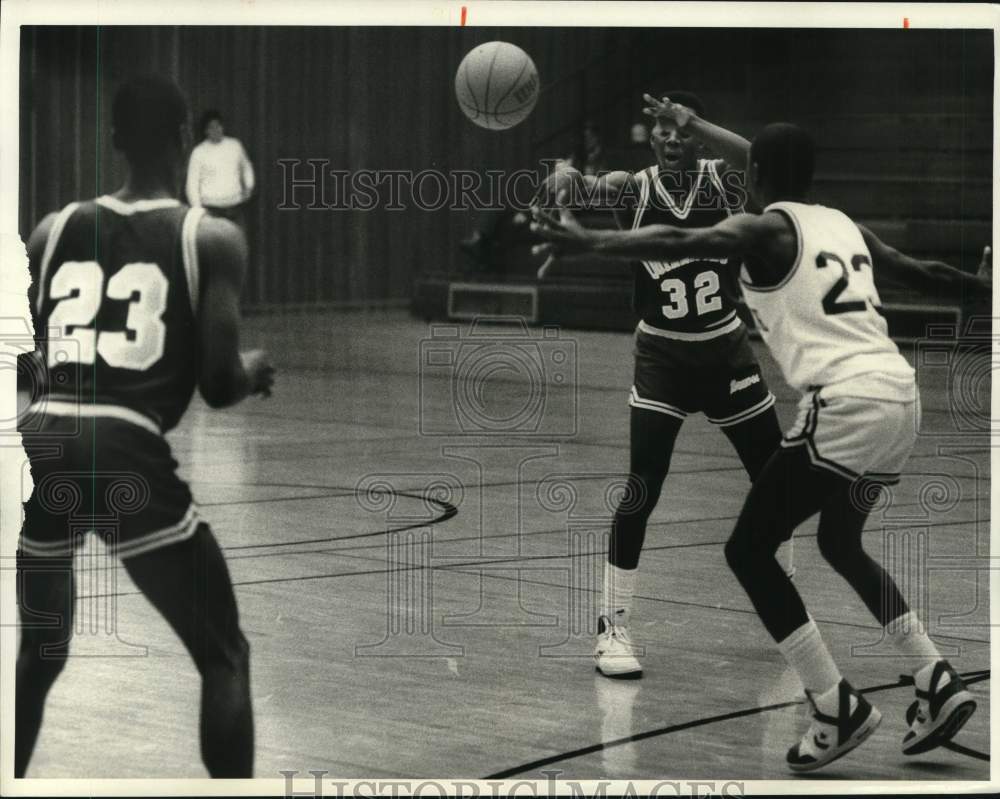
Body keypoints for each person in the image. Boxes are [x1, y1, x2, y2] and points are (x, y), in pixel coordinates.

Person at [532, 121, 991, 771]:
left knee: (747, 549)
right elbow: (923, 272)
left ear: (751, 177)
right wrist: (982, 290)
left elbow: (677, 236)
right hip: (903, 400)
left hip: (847, 403)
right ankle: (935, 677)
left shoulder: (763, 227)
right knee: (839, 541)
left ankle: (834, 703)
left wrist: (588, 243)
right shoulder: (843, 224)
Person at [16, 75, 274, 778]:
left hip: (45, 445)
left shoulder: (53, 227)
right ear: (185, 136)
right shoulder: (211, 237)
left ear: (114, 140)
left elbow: (22, 366)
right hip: (123, 447)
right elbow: (218, 386)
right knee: (224, 653)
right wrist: (254, 368)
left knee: (38, 656)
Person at [539, 92, 791, 679]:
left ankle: (784, 591)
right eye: (663, 132)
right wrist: (562, 176)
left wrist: (701, 123)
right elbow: (580, 189)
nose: (672, 140)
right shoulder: (634, 186)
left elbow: (763, 160)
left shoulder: (724, 184)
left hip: (727, 351)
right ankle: (613, 626)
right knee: (641, 487)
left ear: (694, 136)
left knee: (777, 482)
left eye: (681, 132)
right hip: (662, 357)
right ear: (651, 138)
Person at [185, 109, 255, 229]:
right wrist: (199, 212)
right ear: (206, 131)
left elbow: (247, 167)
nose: (216, 130)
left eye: (218, 126)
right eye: (211, 127)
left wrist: (249, 186)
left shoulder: (235, 145)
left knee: (238, 246)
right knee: (212, 247)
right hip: (211, 210)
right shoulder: (199, 152)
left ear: (223, 127)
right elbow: (192, 184)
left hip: (235, 209)